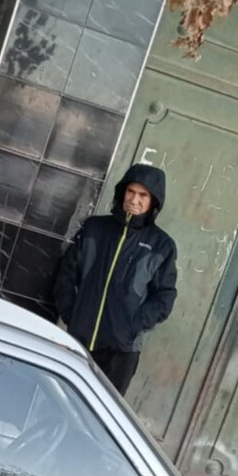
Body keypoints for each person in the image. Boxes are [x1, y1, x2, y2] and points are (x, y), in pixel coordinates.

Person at [52, 163, 177, 396]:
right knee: (63, 402)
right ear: (122, 193)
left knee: (101, 417)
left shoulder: (162, 245)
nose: (135, 200)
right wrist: (71, 313)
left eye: (143, 195)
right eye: (131, 192)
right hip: (79, 340)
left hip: (122, 351)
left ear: (154, 202)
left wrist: (132, 326)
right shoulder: (95, 228)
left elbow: (164, 296)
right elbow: (67, 273)